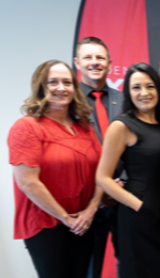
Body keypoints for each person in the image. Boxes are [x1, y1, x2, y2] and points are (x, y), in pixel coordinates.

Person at [9, 60, 103, 278]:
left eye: (67, 82)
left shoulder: (85, 129)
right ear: (41, 87)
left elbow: (101, 174)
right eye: (53, 82)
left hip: (83, 222)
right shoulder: (27, 127)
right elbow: (27, 182)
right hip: (46, 223)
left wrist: (90, 211)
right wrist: (65, 218)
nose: (61, 88)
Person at [95, 63, 160, 278]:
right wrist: (139, 206)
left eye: (150, 86)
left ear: (158, 89)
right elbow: (103, 177)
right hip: (141, 219)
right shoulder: (122, 126)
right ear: (128, 92)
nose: (144, 93)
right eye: (136, 87)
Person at [73, 36, 123, 278]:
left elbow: (139, 146)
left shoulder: (125, 99)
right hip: (87, 202)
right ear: (77, 63)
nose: (95, 62)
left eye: (100, 57)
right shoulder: (67, 103)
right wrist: (101, 191)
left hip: (124, 196)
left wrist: (122, 181)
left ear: (110, 63)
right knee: (89, 268)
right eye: (88, 57)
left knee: (132, 262)